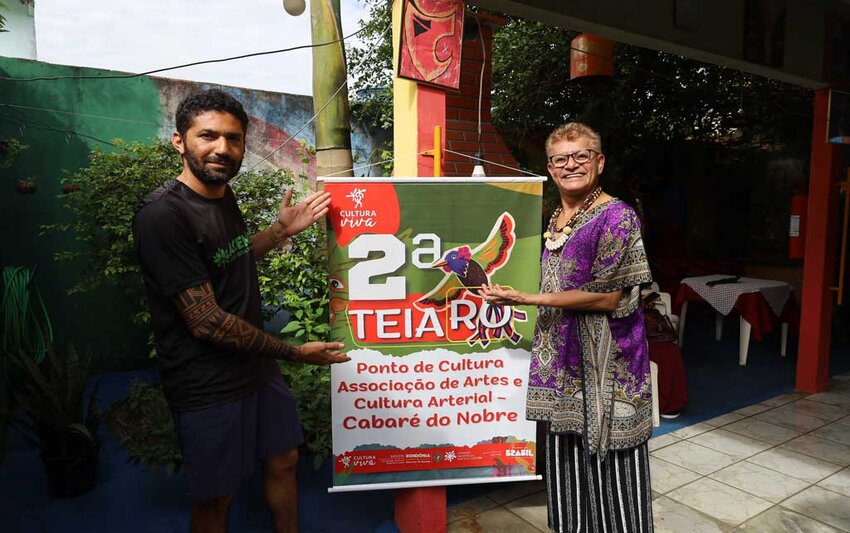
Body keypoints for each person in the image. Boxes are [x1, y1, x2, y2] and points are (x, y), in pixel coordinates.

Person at [132, 89, 349, 533]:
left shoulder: (221, 195)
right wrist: (294, 353)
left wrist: (278, 232)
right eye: (208, 136)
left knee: (285, 460)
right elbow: (206, 320)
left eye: (233, 138)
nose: (222, 148)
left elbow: (229, 259)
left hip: (256, 368)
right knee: (218, 497)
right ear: (179, 141)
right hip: (206, 382)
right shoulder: (162, 216)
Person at [482, 122, 654, 533]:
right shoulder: (556, 218)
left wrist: (528, 299)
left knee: (616, 476)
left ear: (600, 162)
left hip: (609, 370)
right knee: (567, 472)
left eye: (581, 156)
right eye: (561, 159)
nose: (571, 165)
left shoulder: (617, 217)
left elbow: (608, 297)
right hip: (562, 365)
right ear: (550, 167)